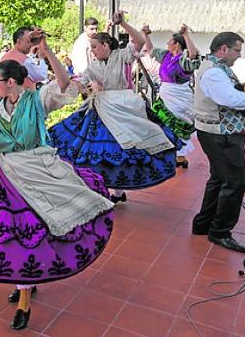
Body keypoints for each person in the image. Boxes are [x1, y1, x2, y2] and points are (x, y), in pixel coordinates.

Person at [0, 56, 113, 330]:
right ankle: (24, 290)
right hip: (6, 172)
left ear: (10, 82)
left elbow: (64, 84)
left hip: (39, 169)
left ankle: (25, 296)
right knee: (13, 234)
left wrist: (47, 50)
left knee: (34, 231)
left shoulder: (36, 100)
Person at [50, 11, 178, 200]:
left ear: (105, 45)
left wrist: (123, 24)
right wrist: (71, 84)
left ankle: (117, 190)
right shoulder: (93, 66)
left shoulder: (121, 56)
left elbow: (139, 42)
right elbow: (82, 80)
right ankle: (107, 189)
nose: (92, 51)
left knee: (123, 147)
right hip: (102, 108)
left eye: (94, 47)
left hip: (123, 106)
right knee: (103, 150)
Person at [190, 31, 245, 252]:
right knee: (234, 182)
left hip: (217, 133)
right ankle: (220, 232)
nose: (239, 55)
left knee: (219, 178)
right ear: (223, 49)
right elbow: (229, 98)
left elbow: (232, 91)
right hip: (221, 135)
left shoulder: (214, 68)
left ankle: (203, 224)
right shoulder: (214, 72)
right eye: (237, 50)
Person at [148, 24, 200, 165]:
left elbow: (193, 55)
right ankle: (167, 151)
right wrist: (146, 34)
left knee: (177, 124)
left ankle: (180, 155)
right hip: (165, 95)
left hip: (180, 96)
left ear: (177, 45)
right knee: (162, 122)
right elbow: (150, 50)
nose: (167, 43)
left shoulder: (183, 60)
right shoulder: (166, 56)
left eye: (170, 41)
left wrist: (186, 35)